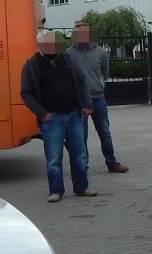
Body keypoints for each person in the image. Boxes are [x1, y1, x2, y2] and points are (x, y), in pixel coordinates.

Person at [20, 29, 98, 203]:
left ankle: (81, 187)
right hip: (51, 118)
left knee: (79, 154)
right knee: (54, 158)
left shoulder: (67, 59)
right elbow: (26, 93)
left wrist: (86, 104)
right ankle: (56, 191)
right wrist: (41, 113)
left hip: (73, 114)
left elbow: (81, 81)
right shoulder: (32, 65)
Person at [67, 21, 129, 173]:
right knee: (81, 135)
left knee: (105, 132)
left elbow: (105, 73)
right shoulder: (68, 54)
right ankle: (82, 166)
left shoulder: (100, 52)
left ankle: (111, 162)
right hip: (79, 102)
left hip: (98, 98)